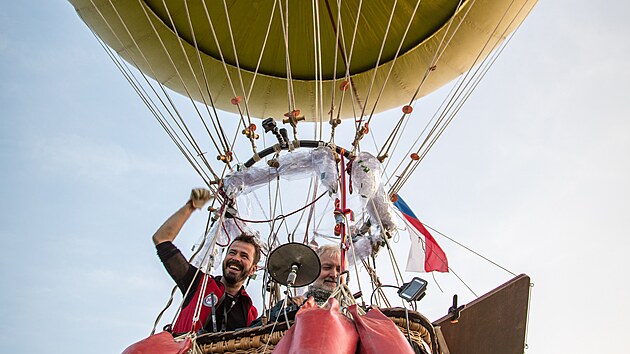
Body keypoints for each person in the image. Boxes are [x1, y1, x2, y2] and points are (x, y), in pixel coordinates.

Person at [152, 188, 260, 334]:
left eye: (244, 256)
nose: (236, 258)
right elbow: (162, 239)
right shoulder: (198, 284)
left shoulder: (249, 311)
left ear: (253, 269)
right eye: (232, 252)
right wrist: (191, 206)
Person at [251, 244, 344, 326]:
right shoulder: (290, 305)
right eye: (327, 268)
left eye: (339, 270)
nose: (334, 274)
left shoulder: (353, 311)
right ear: (313, 271)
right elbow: (251, 331)